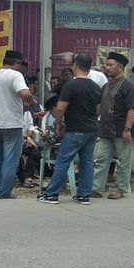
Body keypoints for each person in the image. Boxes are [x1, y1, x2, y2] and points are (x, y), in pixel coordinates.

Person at [37, 54, 102, 205]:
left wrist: (58, 124)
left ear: (75, 66)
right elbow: (99, 108)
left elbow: (60, 109)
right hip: (92, 128)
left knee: (63, 160)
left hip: (75, 129)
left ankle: (51, 194)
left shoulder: (70, 85)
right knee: (87, 162)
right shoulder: (95, 86)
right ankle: (84, 195)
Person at [0, 50, 38, 199]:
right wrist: (32, 102)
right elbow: (25, 94)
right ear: (17, 63)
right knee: (10, 159)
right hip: (11, 123)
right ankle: (5, 192)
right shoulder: (15, 75)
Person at [92, 51, 134, 200]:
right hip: (106, 130)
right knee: (101, 160)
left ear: (120, 67)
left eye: (110, 65)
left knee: (124, 162)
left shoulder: (129, 86)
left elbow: (132, 109)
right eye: (106, 64)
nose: (107, 67)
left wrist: (127, 130)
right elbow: (100, 106)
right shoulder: (106, 86)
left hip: (123, 130)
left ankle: (120, 189)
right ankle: (96, 188)